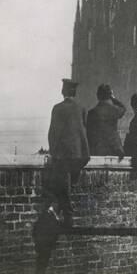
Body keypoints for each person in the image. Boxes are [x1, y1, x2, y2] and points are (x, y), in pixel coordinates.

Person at [44, 78, 90, 228]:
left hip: (64, 156)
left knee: (62, 186)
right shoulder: (82, 108)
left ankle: (67, 218)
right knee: (67, 185)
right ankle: (56, 208)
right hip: (80, 156)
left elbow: (53, 134)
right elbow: (83, 130)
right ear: (74, 92)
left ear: (62, 92)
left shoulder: (57, 108)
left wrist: (53, 152)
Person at [86, 84, 126, 157]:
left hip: (97, 150)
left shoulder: (92, 113)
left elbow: (88, 133)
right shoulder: (115, 110)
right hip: (114, 150)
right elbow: (123, 108)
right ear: (109, 96)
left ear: (98, 96)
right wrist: (113, 98)